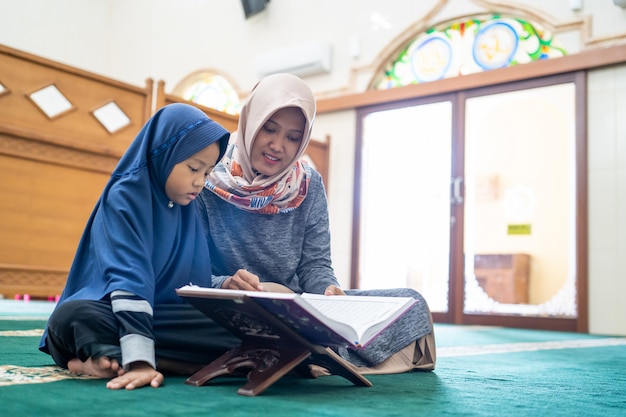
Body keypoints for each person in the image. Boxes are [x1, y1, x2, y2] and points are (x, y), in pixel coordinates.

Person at [198, 73, 436, 374]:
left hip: (298, 308)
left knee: (410, 303)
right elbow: (192, 271)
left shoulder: (307, 184)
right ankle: (314, 354)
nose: (277, 145)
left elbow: (315, 264)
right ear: (250, 122)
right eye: (268, 129)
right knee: (254, 307)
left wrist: (328, 290)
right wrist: (226, 283)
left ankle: (303, 353)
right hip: (236, 306)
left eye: (292, 137)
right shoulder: (207, 176)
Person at [39, 103, 241, 389]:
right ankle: (144, 356)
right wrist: (141, 362)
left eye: (207, 173)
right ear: (164, 153)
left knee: (238, 327)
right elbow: (129, 278)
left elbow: (192, 288)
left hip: (162, 317)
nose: (200, 182)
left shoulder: (187, 205)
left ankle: (110, 356)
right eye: (193, 168)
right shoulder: (125, 197)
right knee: (71, 316)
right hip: (114, 309)